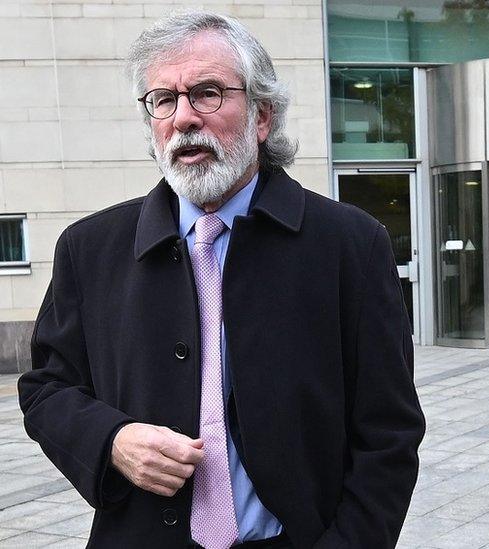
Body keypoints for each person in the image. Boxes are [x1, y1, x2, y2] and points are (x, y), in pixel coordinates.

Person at [18, 11, 425, 549]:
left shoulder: (350, 245)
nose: (184, 118)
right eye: (163, 100)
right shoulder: (89, 249)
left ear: (262, 116)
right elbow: (46, 389)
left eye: (208, 93)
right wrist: (112, 440)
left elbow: (388, 434)